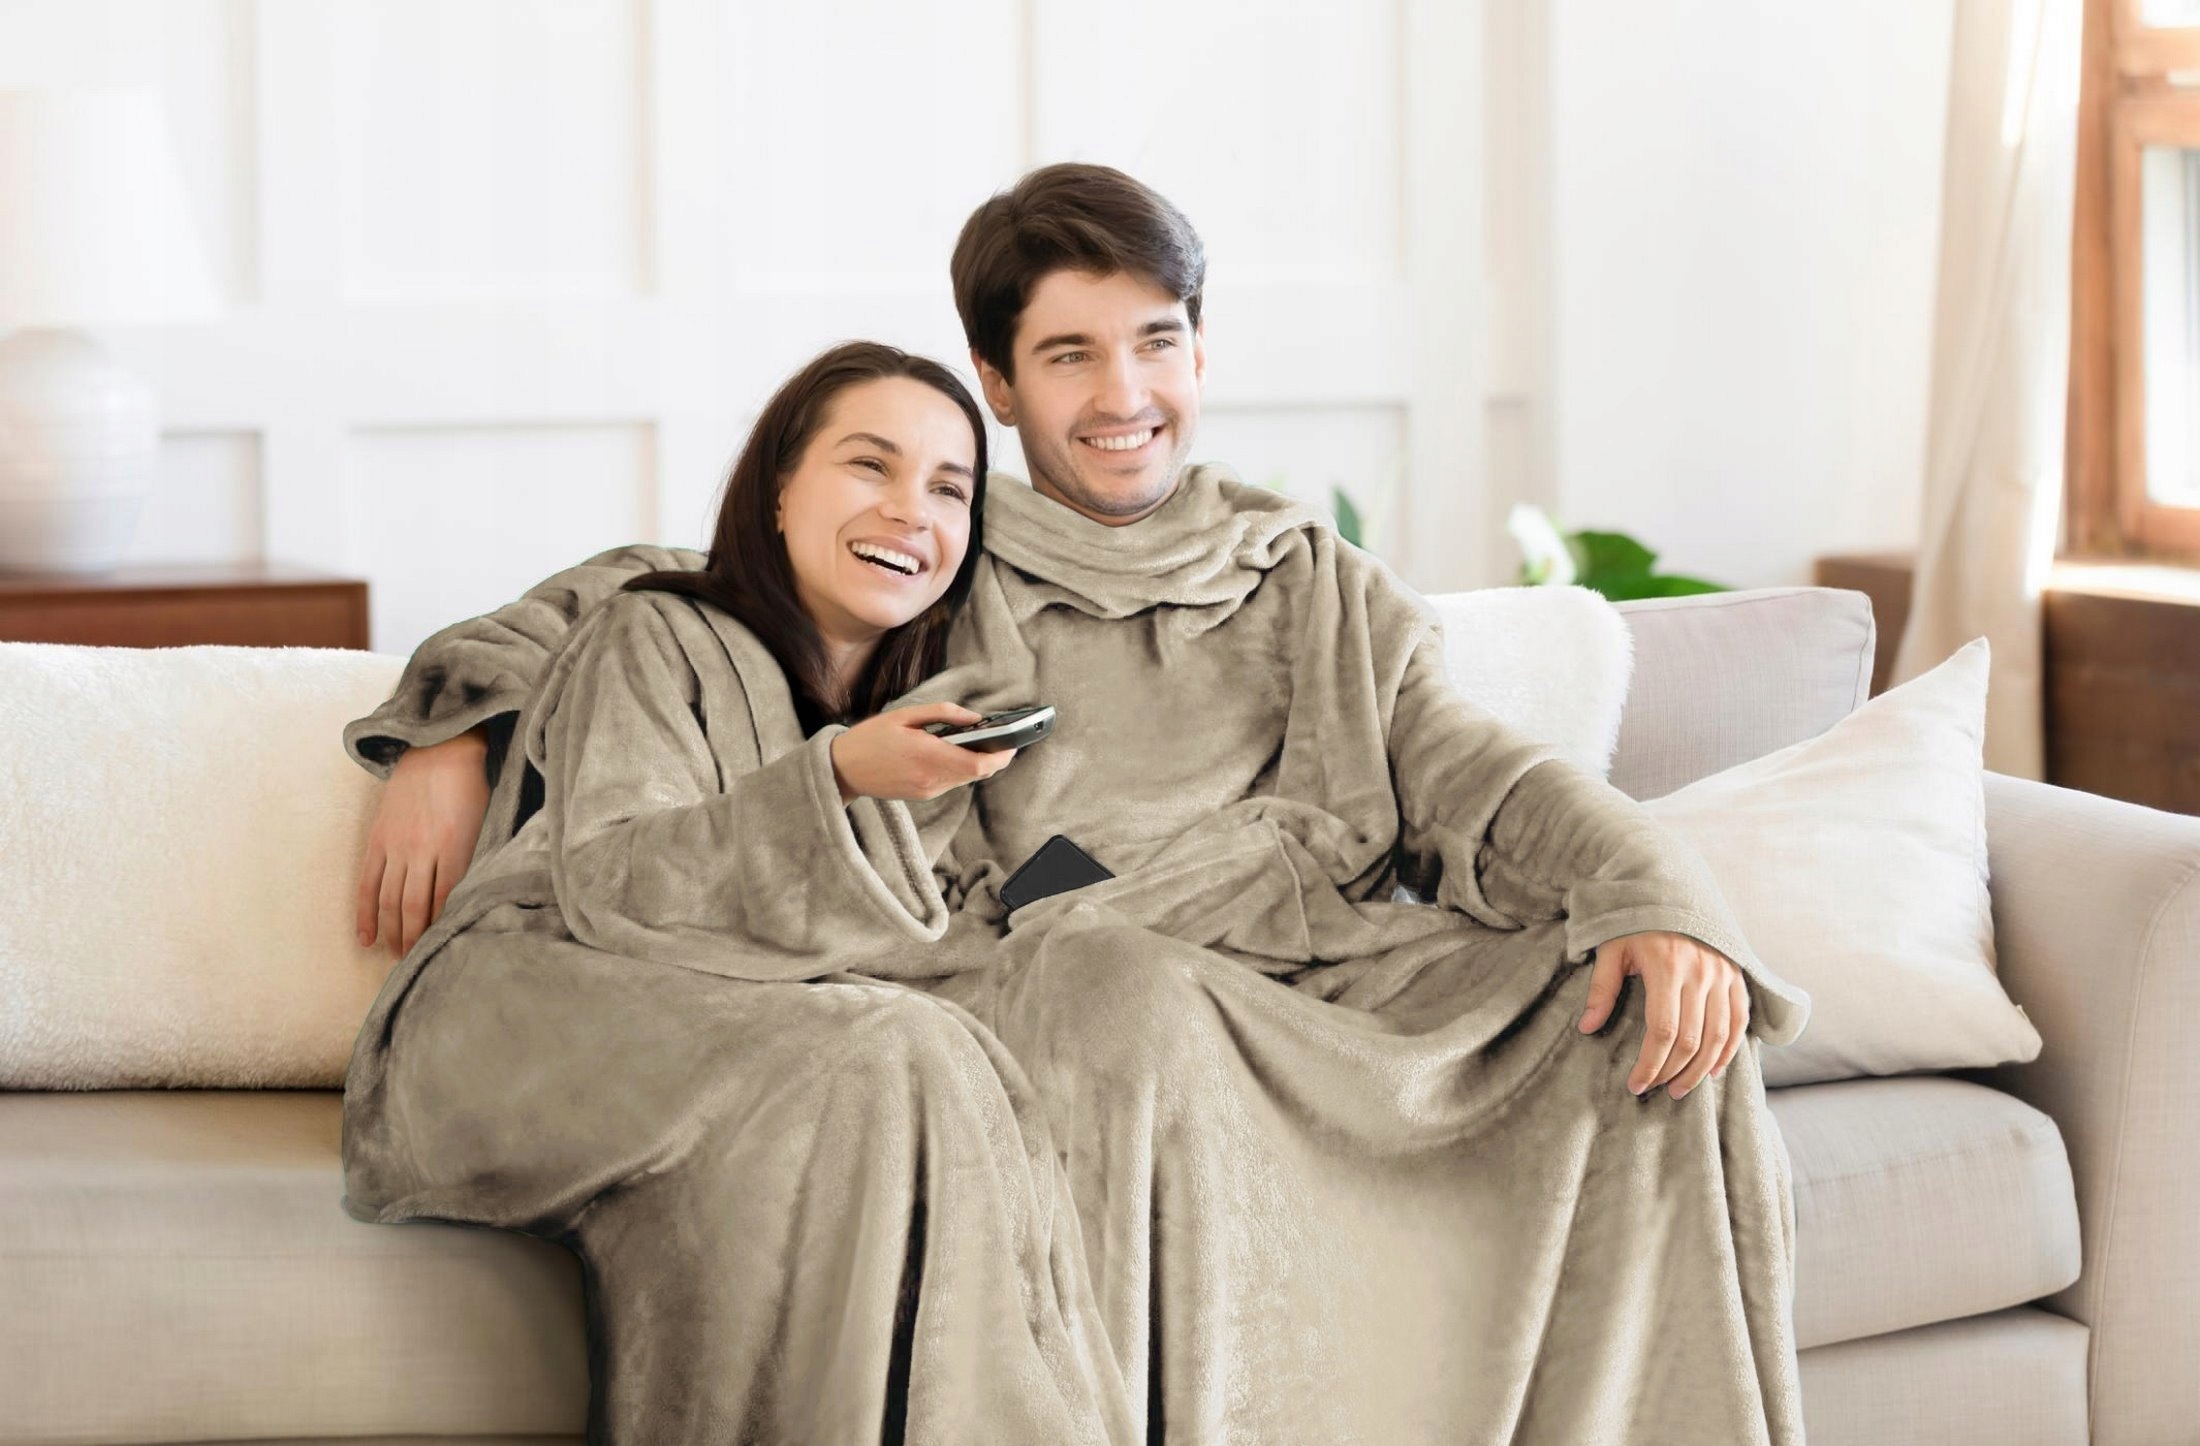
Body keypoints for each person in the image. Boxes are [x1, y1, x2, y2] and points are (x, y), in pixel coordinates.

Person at [345, 166, 1814, 1444]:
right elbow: (662, 589)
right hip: (1088, 991)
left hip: (1320, 978)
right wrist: (448, 727)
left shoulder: (1310, 579)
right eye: (1069, 356)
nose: (1121, 397)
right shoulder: (937, 545)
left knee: (1637, 1017)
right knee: (1118, 993)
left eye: (1155, 342)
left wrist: (1653, 894)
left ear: (1199, 351)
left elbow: (1477, 772)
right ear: (1000, 384)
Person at [341, 340, 1138, 1443]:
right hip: (526, 1007)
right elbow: (614, 885)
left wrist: (1071, 889)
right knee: (892, 1050)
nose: (910, 510)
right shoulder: (655, 628)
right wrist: (837, 777)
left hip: (757, 1029)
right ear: (778, 491)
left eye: (949, 488)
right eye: (870, 465)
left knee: (936, 1053)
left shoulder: (938, 711)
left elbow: (941, 924)